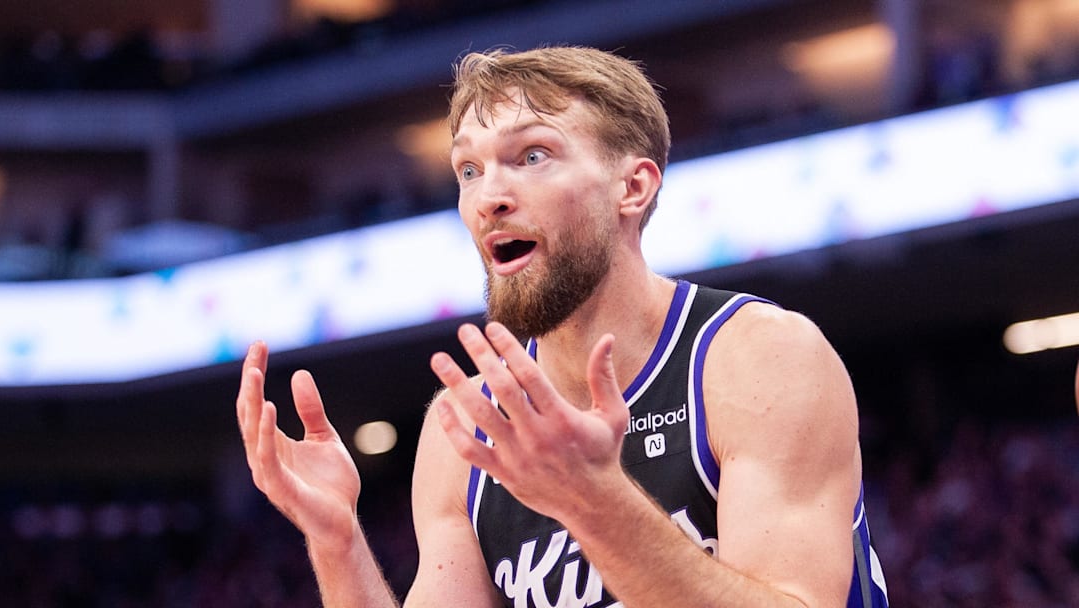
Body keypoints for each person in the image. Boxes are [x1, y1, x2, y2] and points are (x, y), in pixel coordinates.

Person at [236, 45, 889, 607]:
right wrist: (337, 542)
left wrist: (590, 498)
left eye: (532, 156)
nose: (489, 196)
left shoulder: (757, 357)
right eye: (469, 169)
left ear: (631, 188)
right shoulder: (460, 432)